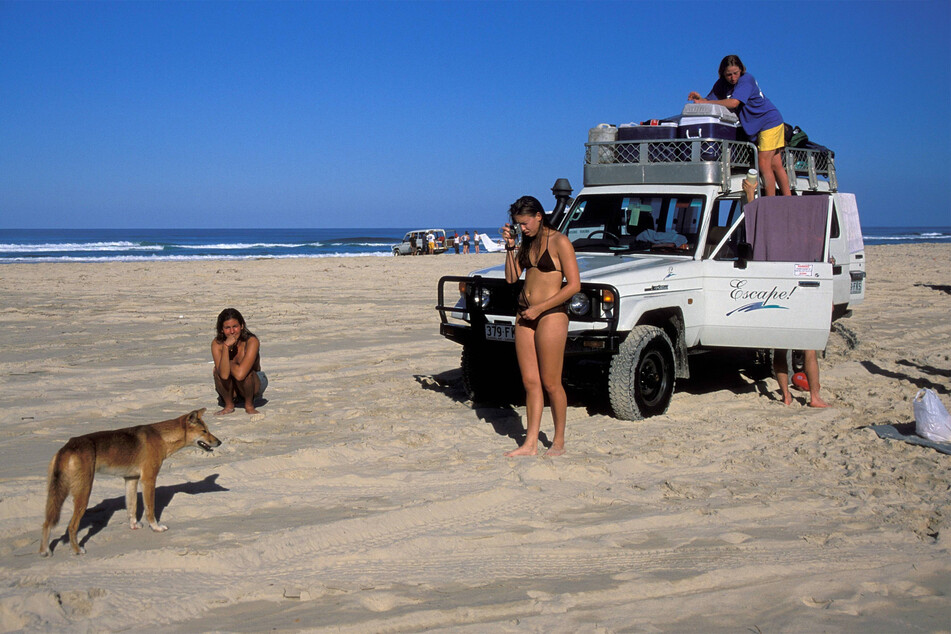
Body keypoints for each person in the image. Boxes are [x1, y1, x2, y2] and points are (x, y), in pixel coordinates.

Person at [501, 196, 581, 456]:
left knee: (551, 382)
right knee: (530, 382)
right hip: (525, 313)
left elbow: (574, 285)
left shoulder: (560, 241)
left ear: (538, 216)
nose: (522, 228)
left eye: (525, 223)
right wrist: (510, 247)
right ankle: (531, 442)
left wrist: (540, 307)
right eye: (518, 225)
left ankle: (558, 441)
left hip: (551, 314)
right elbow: (513, 278)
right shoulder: (526, 243)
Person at [741, 179, 829, 408]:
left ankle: (786, 396)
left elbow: (756, 225)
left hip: (779, 294)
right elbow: (822, 262)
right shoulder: (808, 235)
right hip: (802, 295)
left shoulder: (771, 233)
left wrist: (750, 195)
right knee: (809, 351)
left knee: (780, 349)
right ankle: (815, 398)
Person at [689, 55, 791, 197]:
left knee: (763, 163)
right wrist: (700, 99)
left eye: (735, 73)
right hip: (759, 125)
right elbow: (711, 99)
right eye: (728, 74)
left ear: (741, 70)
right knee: (775, 164)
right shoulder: (721, 84)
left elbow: (734, 103)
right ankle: (788, 199)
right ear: (722, 74)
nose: (732, 77)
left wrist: (705, 103)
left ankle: (771, 201)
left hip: (769, 121)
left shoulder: (746, 80)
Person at [211, 308, 267, 415]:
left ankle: (249, 405)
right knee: (216, 370)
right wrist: (226, 347)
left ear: (241, 326)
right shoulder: (217, 344)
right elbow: (223, 374)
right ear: (222, 329)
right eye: (227, 328)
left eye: (235, 327)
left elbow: (241, 374)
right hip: (233, 384)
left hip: (254, 382)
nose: (232, 332)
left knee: (246, 373)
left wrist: (228, 362)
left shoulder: (251, 341)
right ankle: (229, 405)